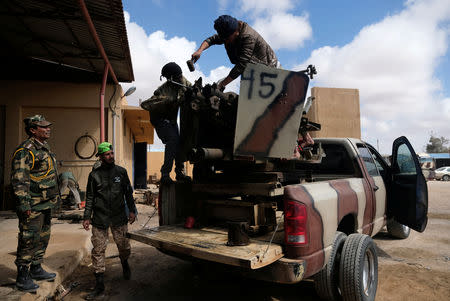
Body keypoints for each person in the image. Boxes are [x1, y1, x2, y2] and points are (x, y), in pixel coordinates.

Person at [82, 142, 137, 300]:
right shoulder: (94, 175)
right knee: (98, 250)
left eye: (112, 153)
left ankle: (125, 263)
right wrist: (86, 217)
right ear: (100, 156)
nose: (111, 156)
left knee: (123, 246)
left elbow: (128, 193)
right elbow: (90, 197)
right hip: (100, 218)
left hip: (119, 217)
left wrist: (132, 210)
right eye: (107, 154)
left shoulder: (121, 172)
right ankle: (99, 285)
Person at [11, 115, 58, 292]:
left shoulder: (44, 147)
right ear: (33, 130)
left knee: (43, 237)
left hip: (45, 204)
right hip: (33, 204)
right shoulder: (25, 150)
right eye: (43, 127)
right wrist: (24, 205)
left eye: (48, 126)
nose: (48, 129)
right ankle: (22, 277)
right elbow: (19, 180)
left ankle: (36, 268)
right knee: (28, 239)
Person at [191, 15, 278, 91]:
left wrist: (222, 85)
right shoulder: (228, 33)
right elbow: (212, 40)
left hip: (270, 70)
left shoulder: (248, 37)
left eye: (227, 39)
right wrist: (199, 51)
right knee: (219, 83)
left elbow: (242, 65)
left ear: (235, 32)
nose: (226, 41)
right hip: (252, 70)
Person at [140, 62, 192, 184]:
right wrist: (169, 101)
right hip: (160, 120)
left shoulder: (182, 80)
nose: (181, 78)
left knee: (180, 144)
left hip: (172, 120)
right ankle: (165, 174)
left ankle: (179, 173)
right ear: (171, 78)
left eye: (181, 75)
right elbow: (147, 105)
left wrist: (194, 91)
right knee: (172, 140)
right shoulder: (162, 91)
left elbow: (191, 88)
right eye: (178, 77)